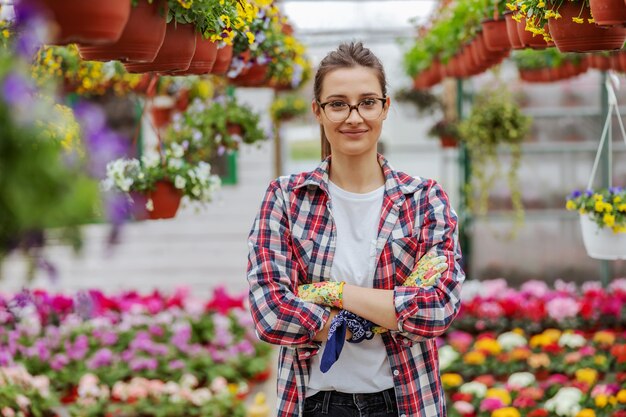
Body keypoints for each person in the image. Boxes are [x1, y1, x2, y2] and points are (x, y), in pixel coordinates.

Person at [247, 41, 464, 417]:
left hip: (405, 401)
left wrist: (332, 293)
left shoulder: (424, 198)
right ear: (318, 111)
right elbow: (271, 313)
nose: (354, 117)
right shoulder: (285, 197)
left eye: (367, 102)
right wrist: (388, 313)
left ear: (385, 107)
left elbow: (436, 310)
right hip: (314, 402)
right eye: (337, 104)